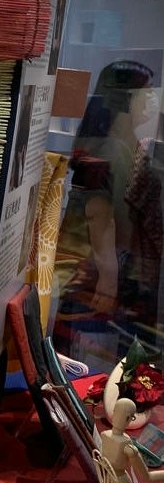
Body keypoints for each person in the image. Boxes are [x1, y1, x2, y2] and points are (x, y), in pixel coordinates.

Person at [55, 60, 162, 364]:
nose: (152, 99)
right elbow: (98, 212)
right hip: (100, 273)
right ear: (124, 98)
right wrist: (108, 277)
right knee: (93, 358)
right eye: (145, 92)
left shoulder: (129, 144)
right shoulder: (110, 147)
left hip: (115, 268)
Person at [100, 396, 164, 483]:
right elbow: (146, 476)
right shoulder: (126, 444)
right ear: (130, 419)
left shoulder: (104, 435)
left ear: (114, 412)